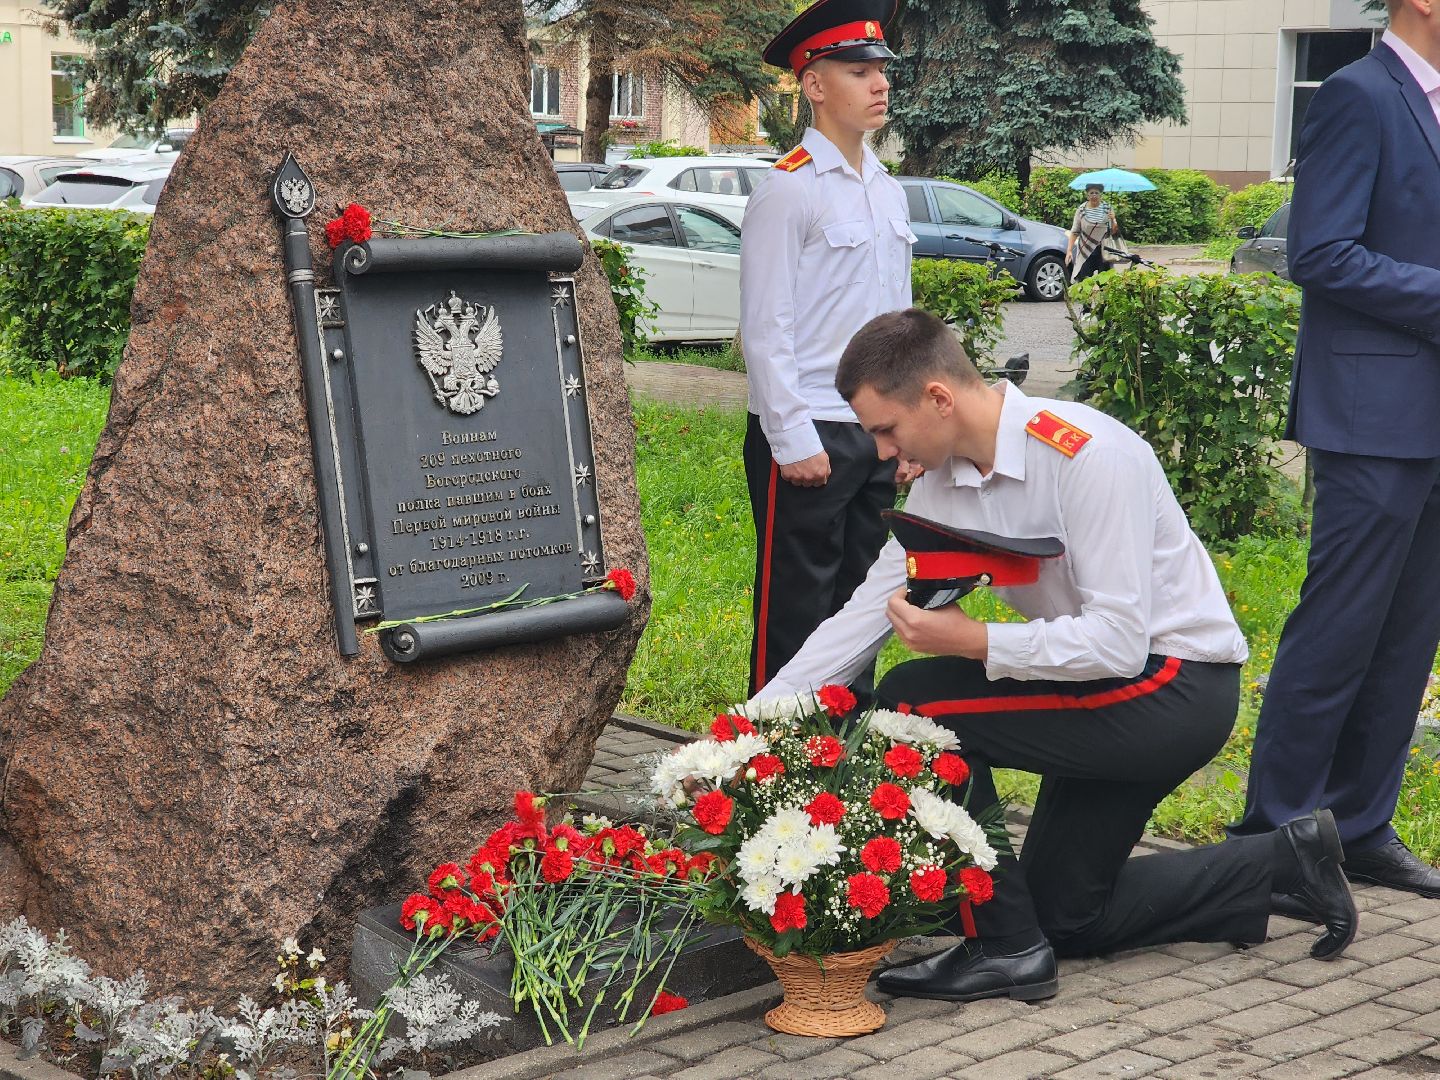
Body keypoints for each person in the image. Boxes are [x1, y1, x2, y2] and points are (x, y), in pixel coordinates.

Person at [751, 307, 1358, 1001]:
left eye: (885, 430)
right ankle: (1282, 863)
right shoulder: (944, 483)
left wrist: (976, 640)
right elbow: (861, 617)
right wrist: (745, 728)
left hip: (1172, 688)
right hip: (1103, 689)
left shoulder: (1086, 457)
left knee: (913, 699)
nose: (882, 453)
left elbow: (1118, 640)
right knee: (1066, 912)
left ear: (938, 398)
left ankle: (1005, 950)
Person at [1228, 0, 1440, 903]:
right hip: (1372, 414)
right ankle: (1272, 837)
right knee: (1339, 629)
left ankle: (1359, 825)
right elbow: (1319, 252)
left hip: (1429, 417)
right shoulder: (1358, 93)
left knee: (1408, 635)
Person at [740, 0, 919, 697]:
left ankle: (840, 766)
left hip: (874, 433)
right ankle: (770, 762)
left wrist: (907, 432)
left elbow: (898, 327)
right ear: (814, 86)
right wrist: (791, 436)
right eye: (857, 70)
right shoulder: (788, 190)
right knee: (797, 611)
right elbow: (764, 327)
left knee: (859, 609)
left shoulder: (887, 192)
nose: (879, 84)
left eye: (882, 70)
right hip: (810, 429)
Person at [1065, 183, 1119, 283]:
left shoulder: (1108, 208)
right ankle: (1085, 299)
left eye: (1096, 193)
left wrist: (1113, 220)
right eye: (1091, 193)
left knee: (1105, 282)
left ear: (1100, 195)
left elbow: (1113, 231)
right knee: (1084, 282)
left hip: (1103, 250)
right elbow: (1075, 231)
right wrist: (1069, 251)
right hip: (1085, 249)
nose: (1094, 195)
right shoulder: (1081, 210)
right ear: (1087, 195)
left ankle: (1103, 299)